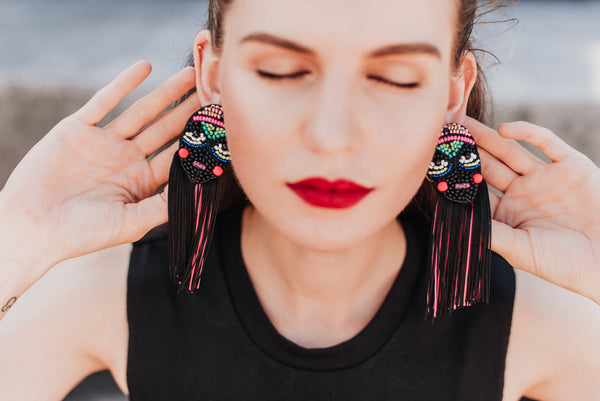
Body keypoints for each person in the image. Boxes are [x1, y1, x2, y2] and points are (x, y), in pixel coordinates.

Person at [0, 0, 599, 399]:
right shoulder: (110, 294)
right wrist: (14, 244)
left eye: (394, 78)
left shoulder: (531, 321)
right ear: (213, 74)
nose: (332, 135)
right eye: (282, 71)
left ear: (451, 94)